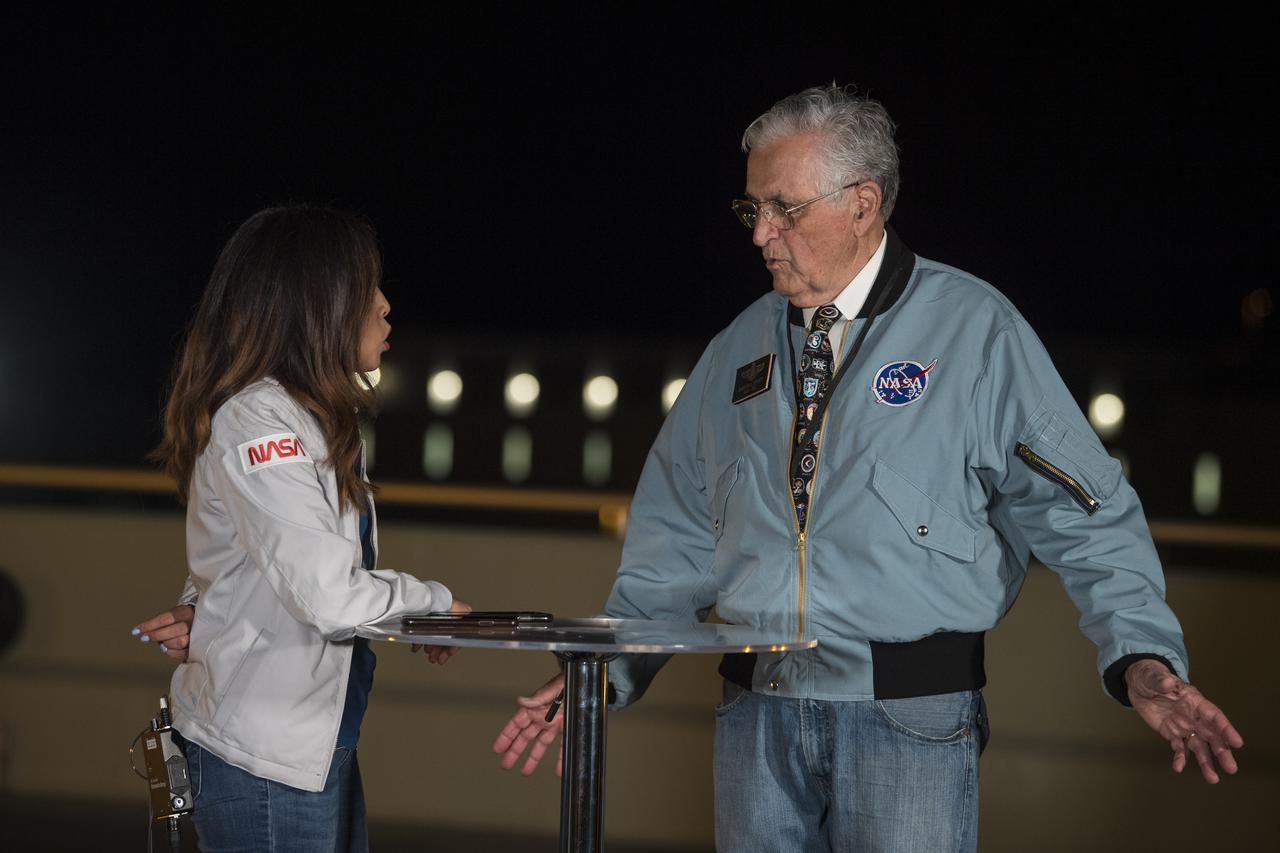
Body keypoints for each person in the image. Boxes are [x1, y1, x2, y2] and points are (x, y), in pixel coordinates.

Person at [492, 85, 1243, 852]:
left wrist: (1141, 653)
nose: (762, 235)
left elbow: (1086, 511)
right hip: (756, 716)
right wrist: (607, 675)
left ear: (863, 203)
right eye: (752, 210)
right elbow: (675, 533)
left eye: (784, 207)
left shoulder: (975, 331)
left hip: (909, 718)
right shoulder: (737, 348)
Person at [132, 205, 468, 852]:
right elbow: (328, 593)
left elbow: (263, 550)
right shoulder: (263, 423)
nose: (385, 306)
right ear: (317, 303)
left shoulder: (307, 417)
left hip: (310, 746)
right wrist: (434, 603)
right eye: (367, 287)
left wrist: (209, 603)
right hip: (264, 762)